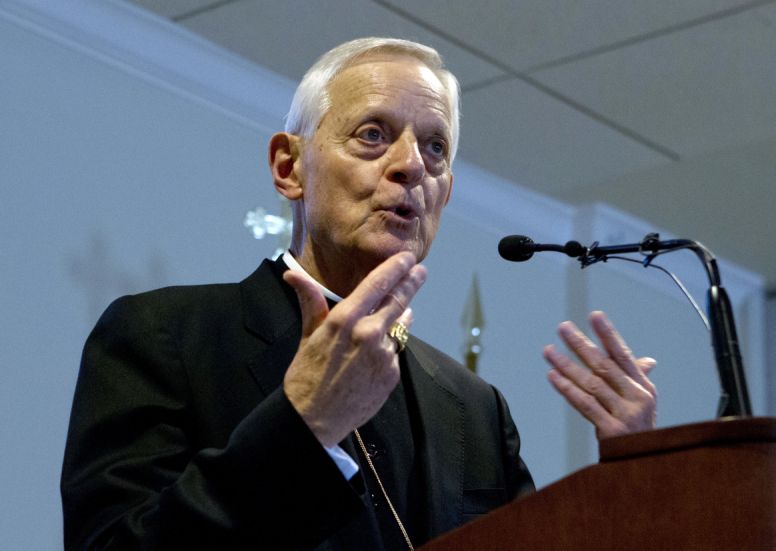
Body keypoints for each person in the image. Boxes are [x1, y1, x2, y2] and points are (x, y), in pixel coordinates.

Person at [61, 37, 656, 550]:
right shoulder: (166, 336)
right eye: (373, 134)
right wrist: (304, 425)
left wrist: (629, 485)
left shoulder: (476, 409)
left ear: (445, 195)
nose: (410, 166)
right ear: (289, 168)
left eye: (435, 148)